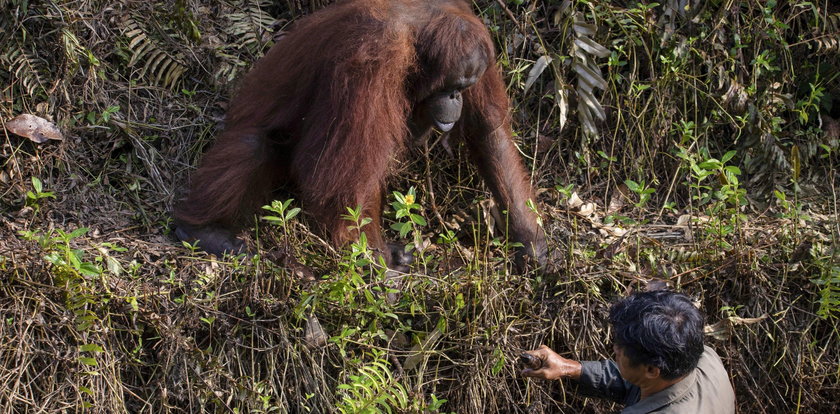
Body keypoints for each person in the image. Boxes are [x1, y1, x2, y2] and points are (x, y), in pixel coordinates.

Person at [522, 290, 735, 413]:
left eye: (621, 350)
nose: (614, 349)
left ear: (652, 369)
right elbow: (641, 385)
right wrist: (569, 368)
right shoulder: (704, 358)